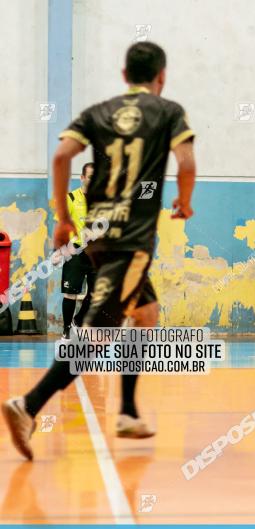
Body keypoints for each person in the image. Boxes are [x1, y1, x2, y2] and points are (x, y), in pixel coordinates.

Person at [1, 41, 196, 460]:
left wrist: (63, 218)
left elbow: (61, 156)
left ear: (123, 75)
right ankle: (28, 405)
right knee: (97, 333)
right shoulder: (170, 111)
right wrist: (185, 200)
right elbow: (187, 161)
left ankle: (126, 411)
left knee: (146, 315)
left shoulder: (98, 111)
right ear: (161, 76)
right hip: (131, 242)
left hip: (100, 234)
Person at [58, 162, 97, 339]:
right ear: (82, 178)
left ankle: (78, 320)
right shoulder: (71, 198)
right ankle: (67, 329)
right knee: (71, 292)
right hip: (75, 251)